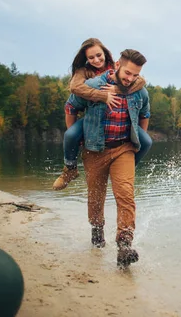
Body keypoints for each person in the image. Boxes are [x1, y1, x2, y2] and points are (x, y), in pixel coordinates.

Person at [63, 49, 151, 268]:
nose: (131, 78)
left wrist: (136, 140)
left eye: (135, 75)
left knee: (126, 194)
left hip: (123, 149)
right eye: (128, 72)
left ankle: (124, 244)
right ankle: (97, 231)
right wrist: (77, 136)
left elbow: (144, 116)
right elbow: (71, 106)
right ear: (118, 64)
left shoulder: (140, 92)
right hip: (94, 150)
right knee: (95, 196)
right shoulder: (94, 86)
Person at [52, 38, 150, 191]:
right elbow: (75, 89)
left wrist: (117, 90)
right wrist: (103, 96)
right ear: (85, 59)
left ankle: (128, 167)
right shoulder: (83, 72)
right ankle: (70, 169)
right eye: (91, 57)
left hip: (119, 121)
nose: (96, 60)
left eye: (99, 55)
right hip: (93, 117)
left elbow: (139, 81)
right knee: (71, 135)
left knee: (147, 142)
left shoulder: (116, 67)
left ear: (105, 53)